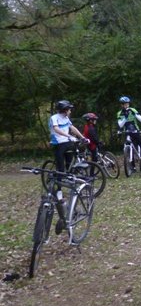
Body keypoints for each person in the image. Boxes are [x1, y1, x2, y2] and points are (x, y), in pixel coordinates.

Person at [49, 100, 87, 235]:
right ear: (64, 110)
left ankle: (69, 178)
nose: (70, 111)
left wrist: (82, 137)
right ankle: (58, 190)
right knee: (60, 168)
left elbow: (72, 128)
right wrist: (69, 136)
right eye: (69, 109)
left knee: (69, 163)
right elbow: (57, 129)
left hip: (68, 142)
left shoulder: (66, 118)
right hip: (59, 144)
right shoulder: (54, 118)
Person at [117, 96, 141, 171]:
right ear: (122, 105)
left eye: (128, 104)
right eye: (125, 104)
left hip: (136, 131)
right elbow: (120, 125)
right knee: (129, 149)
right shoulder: (119, 113)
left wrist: (134, 114)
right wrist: (125, 118)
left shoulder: (133, 110)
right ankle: (133, 167)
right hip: (127, 132)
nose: (127, 106)